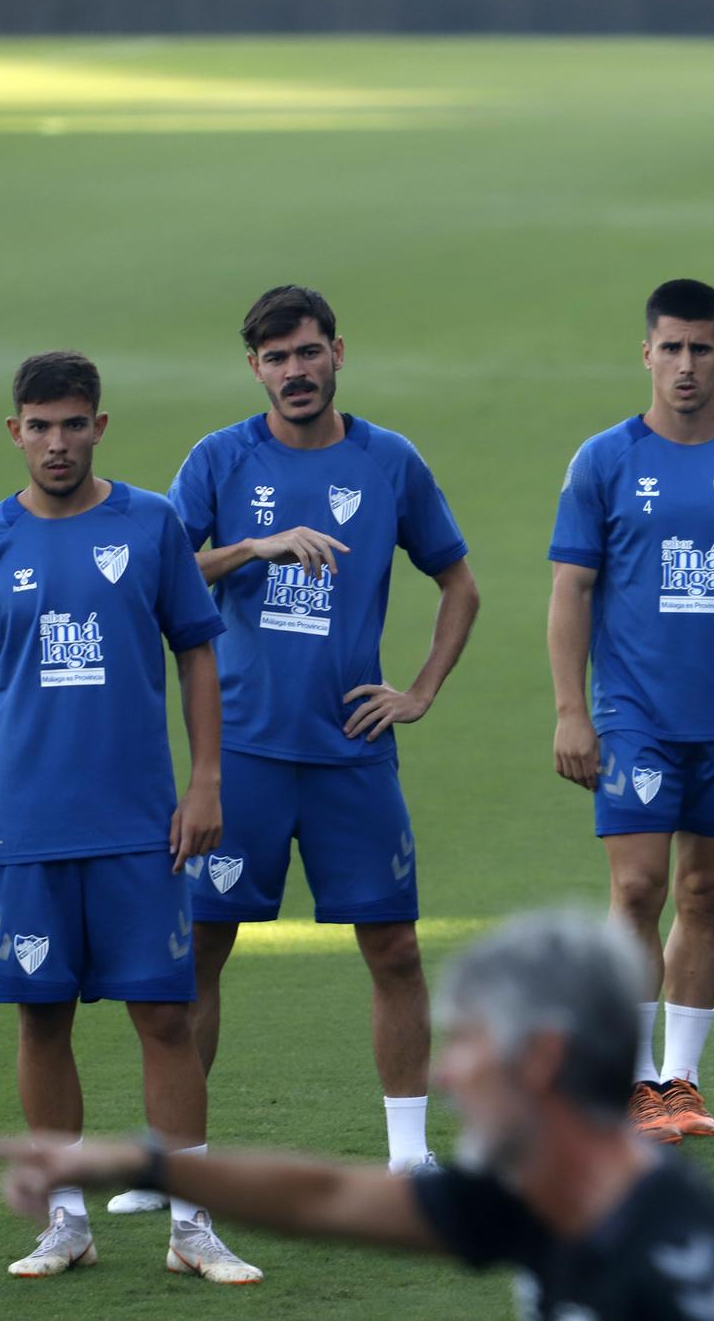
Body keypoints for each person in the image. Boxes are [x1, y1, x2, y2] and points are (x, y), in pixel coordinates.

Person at [0, 911, 714, 1320]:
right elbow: (325, 1196)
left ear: (540, 1059)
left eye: (468, 1042)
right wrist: (140, 1163)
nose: (444, 1068)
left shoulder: (678, 1264)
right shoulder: (548, 1186)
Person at [133, 286, 479, 1203]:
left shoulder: (388, 462)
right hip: (240, 753)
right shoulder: (220, 459)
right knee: (201, 947)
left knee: (395, 949)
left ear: (337, 354)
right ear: (256, 369)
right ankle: (175, 1164)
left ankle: (408, 1153)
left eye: (309, 352)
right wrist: (254, 548)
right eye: (277, 358)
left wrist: (419, 691)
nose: (296, 371)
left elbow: (460, 583)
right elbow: (157, 568)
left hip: (351, 754)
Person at [0, 351, 261, 1282]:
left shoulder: (149, 523)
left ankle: (193, 1226)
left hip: (137, 826)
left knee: (163, 1012)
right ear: (16, 431)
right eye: (41, 425)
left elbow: (198, 654)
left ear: (99, 426)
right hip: (28, 830)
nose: (58, 441)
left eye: (75, 423)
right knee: (41, 1021)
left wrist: (206, 784)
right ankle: (64, 1220)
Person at [549, 280, 714, 1145]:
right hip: (634, 715)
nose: (686, 365)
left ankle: (681, 1081)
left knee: (708, 892)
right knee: (636, 888)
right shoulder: (604, 460)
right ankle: (628, 1080)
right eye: (670, 348)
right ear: (646, 354)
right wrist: (571, 711)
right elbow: (571, 590)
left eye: (701, 349)